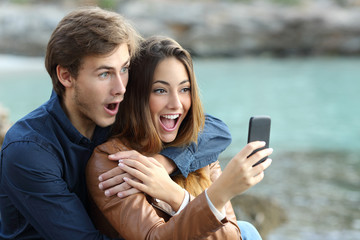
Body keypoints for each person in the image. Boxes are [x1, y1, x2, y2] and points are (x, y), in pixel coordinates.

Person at [0, 8, 232, 239]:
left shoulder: (114, 110)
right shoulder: (29, 149)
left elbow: (214, 129)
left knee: (245, 231)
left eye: (125, 69)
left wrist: (165, 161)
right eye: (104, 74)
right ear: (66, 76)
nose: (121, 88)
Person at [86, 36, 273, 239]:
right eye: (160, 90)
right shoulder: (113, 160)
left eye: (184, 89)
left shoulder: (199, 148)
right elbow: (152, 237)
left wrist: (175, 196)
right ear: (135, 97)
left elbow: (231, 236)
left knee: (246, 231)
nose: (176, 104)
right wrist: (220, 192)